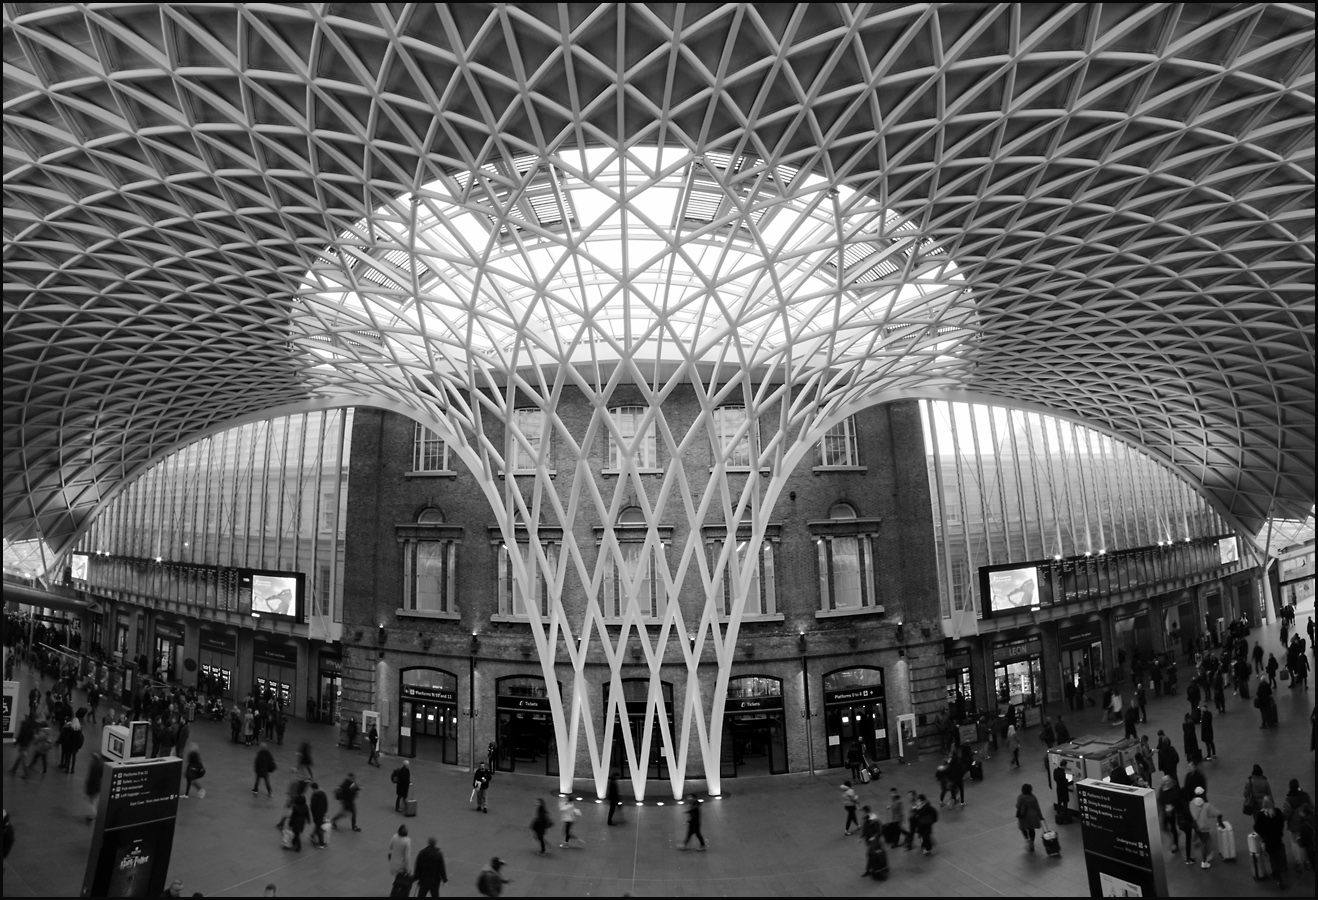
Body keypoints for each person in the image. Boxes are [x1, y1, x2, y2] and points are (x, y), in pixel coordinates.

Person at [1254, 796, 1289, 887]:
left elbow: (1257, 828)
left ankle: (1278, 877)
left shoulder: (1261, 815)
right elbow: (1281, 822)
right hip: (1278, 838)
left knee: (1273, 858)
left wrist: (1263, 835)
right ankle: (1283, 867)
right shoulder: (1277, 812)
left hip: (1268, 841)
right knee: (1279, 853)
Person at [1282, 778, 1313, 873]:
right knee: (1307, 843)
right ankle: (1307, 861)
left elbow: (1286, 815)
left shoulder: (1289, 800)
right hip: (1306, 825)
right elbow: (1312, 807)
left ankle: (1298, 864)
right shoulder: (1306, 796)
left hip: (1294, 827)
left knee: (1295, 844)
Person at [1189, 786, 1221, 868]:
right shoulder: (1207, 806)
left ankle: (1195, 841)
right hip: (1204, 828)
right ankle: (1204, 862)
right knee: (1204, 843)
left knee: (1204, 839)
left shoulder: (1191, 803)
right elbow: (1216, 813)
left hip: (1196, 826)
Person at [1016, 783, 1044, 852]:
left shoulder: (1020, 797)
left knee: (1023, 829)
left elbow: (1017, 806)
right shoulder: (1033, 797)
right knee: (1031, 829)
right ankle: (1032, 842)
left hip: (1024, 816)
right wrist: (1041, 817)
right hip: (1032, 816)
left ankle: (1027, 840)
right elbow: (1037, 808)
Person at [387, 824, 412, 890]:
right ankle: (396, 893)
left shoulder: (395, 836)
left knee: (397, 878)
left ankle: (395, 893)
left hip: (394, 862)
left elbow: (390, 846)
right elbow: (407, 857)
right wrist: (408, 869)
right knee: (400, 880)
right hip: (401, 865)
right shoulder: (407, 841)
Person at [859, 805, 882, 875]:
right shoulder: (866, 819)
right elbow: (864, 829)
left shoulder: (873, 820)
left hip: (874, 841)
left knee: (870, 854)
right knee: (872, 854)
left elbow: (879, 831)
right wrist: (861, 837)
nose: (862, 813)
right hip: (869, 840)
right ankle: (874, 868)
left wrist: (874, 837)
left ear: (866, 811)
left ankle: (869, 870)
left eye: (863, 811)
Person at [84, 751, 104, 823]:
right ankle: (93, 813)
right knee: (94, 800)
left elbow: (90, 778)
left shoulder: (93, 766)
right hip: (97, 786)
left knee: (92, 801)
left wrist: (87, 788)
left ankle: (93, 814)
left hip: (93, 786)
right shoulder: (101, 765)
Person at [308, 782, 329, 849]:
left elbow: (312, 807)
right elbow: (326, 803)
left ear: (313, 788)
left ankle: (321, 844)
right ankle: (312, 835)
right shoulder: (323, 793)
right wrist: (325, 812)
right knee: (318, 825)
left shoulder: (314, 795)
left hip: (317, 814)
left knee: (318, 828)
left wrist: (313, 814)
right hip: (322, 813)